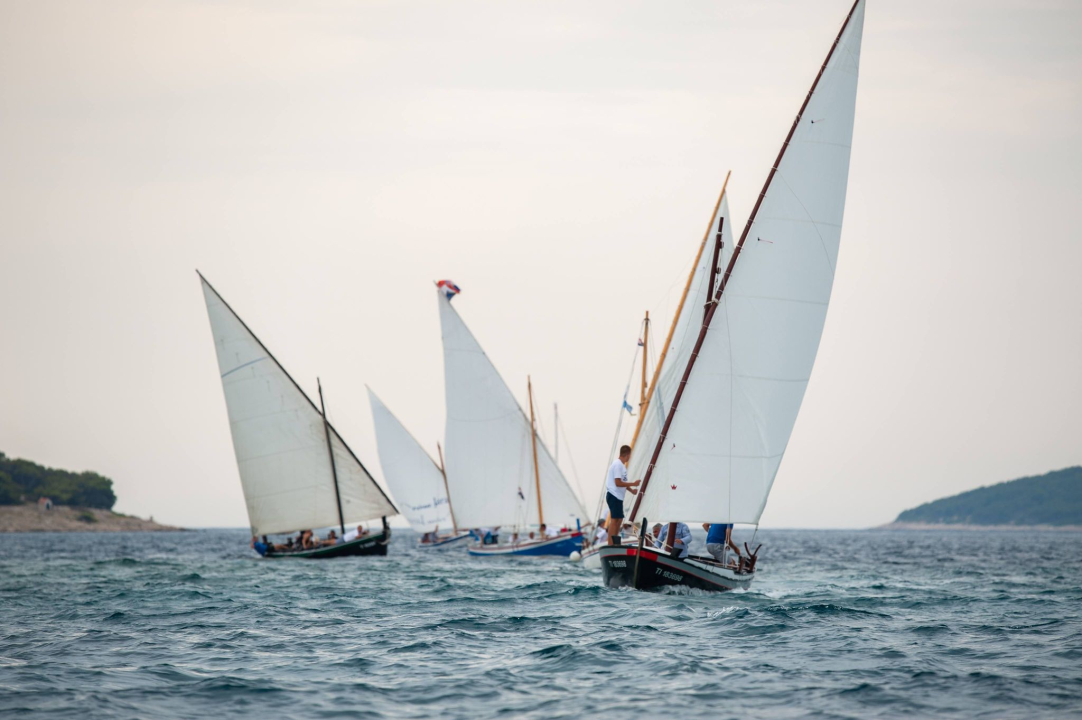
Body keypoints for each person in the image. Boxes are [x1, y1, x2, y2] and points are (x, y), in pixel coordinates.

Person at [604, 445, 641, 545]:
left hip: (618, 497)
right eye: (630, 455)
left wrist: (631, 490)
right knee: (615, 519)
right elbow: (618, 483)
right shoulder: (618, 465)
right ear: (628, 454)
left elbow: (623, 482)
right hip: (613, 495)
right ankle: (611, 543)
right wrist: (633, 483)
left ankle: (615, 541)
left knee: (619, 519)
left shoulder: (622, 466)